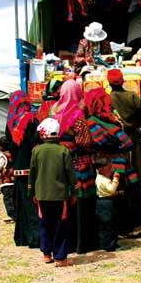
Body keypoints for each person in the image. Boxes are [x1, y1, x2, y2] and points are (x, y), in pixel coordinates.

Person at [84, 87, 141, 236]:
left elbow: (100, 142)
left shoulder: (92, 122)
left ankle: (121, 228)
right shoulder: (109, 120)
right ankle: (130, 227)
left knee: (114, 195)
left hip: (104, 163)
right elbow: (126, 142)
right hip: (118, 162)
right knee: (125, 193)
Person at [51, 79, 97, 254]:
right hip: (79, 165)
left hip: (61, 163)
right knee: (80, 204)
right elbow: (85, 141)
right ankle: (81, 242)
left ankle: (65, 243)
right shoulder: (77, 114)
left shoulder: (54, 112)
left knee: (64, 204)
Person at [28, 118, 77, 266]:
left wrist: (32, 193)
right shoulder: (64, 151)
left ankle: (46, 254)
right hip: (60, 195)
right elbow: (70, 174)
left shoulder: (36, 151)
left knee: (44, 224)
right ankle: (60, 257)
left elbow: (32, 174)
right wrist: (73, 192)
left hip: (42, 194)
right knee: (60, 225)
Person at [6, 90, 40, 248]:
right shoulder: (32, 119)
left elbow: (10, 145)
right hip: (32, 165)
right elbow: (35, 140)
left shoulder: (10, 122)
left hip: (18, 167)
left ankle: (24, 237)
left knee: (22, 203)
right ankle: (36, 237)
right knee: (33, 203)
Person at [107, 68, 141, 181]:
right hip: (133, 137)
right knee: (136, 168)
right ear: (123, 81)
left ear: (109, 83)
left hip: (117, 140)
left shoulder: (108, 99)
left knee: (121, 173)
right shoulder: (132, 96)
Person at [94, 157, 121, 252]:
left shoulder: (103, 178)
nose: (111, 170)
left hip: (107, 201)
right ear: (100, 169)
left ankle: (112, 243)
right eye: (109, 168)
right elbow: (111, 189)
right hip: (104, 203)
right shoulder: (102, 179)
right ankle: (108, 245)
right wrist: (116, 179)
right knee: (107, 224)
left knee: (111, 223)